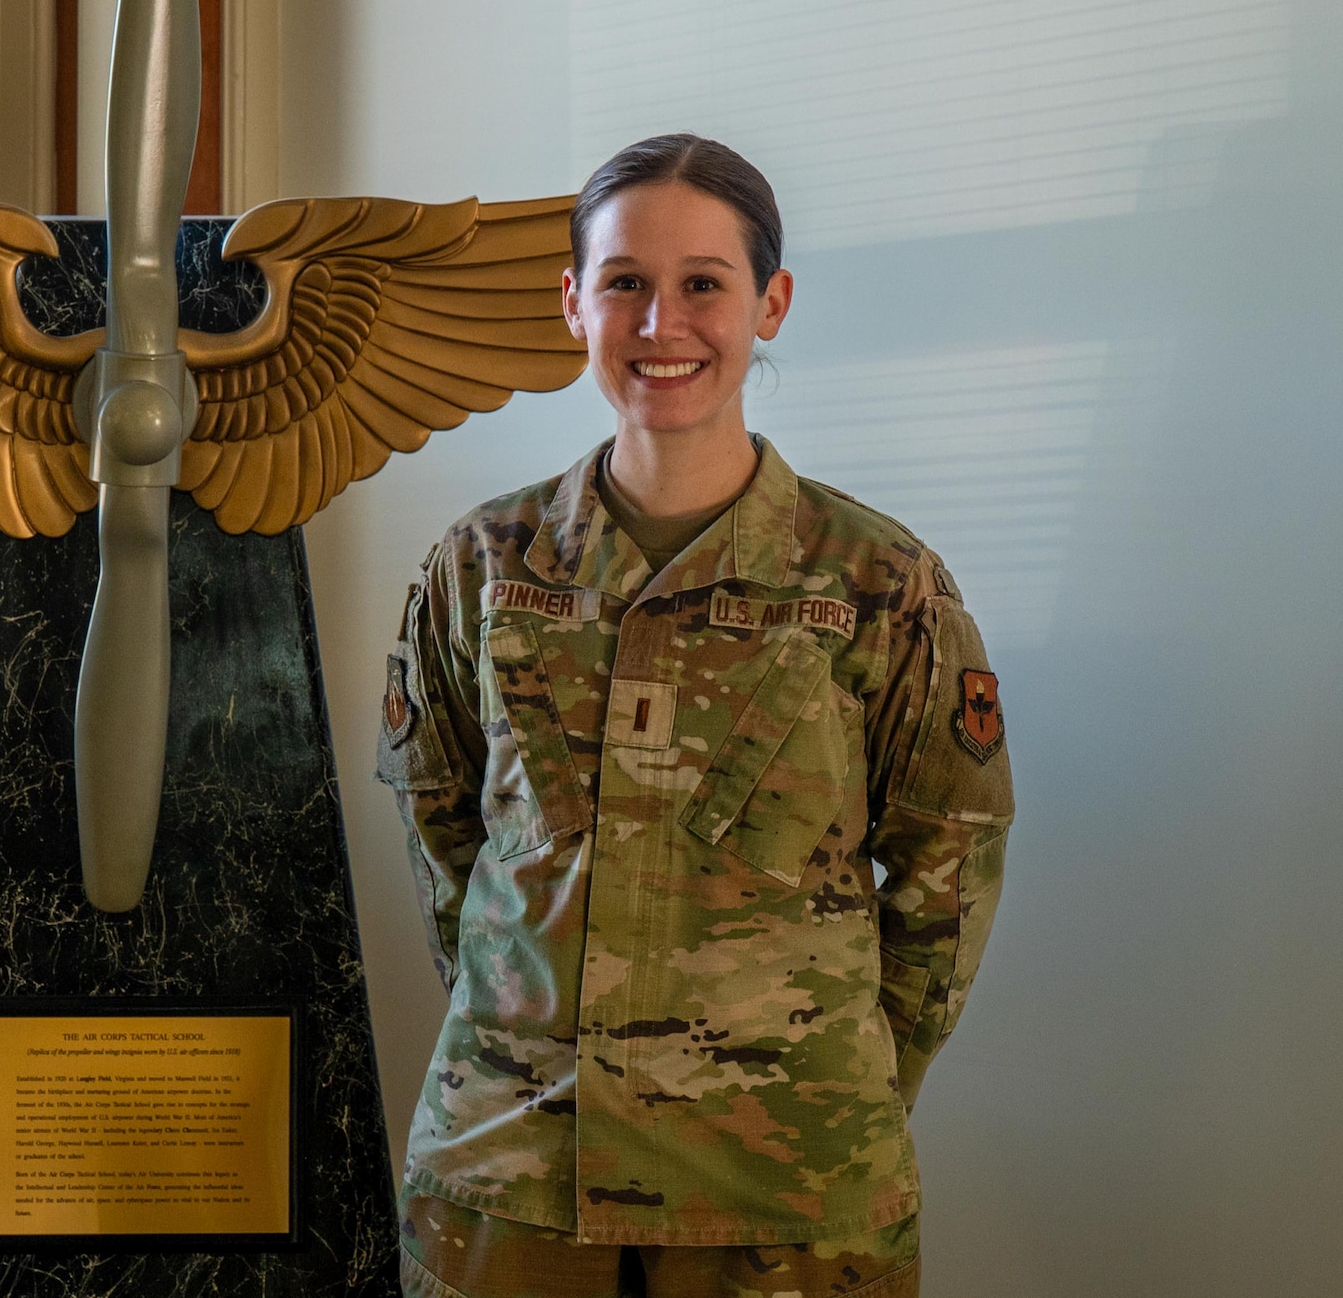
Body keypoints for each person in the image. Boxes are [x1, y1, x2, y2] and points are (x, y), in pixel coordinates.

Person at [376, 134, 1013, 1298]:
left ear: (767, 303)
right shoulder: (477, 565)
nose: (660, 320)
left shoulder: (878, 583)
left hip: (780, 1188)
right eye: (623, 281)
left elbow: (947, 871)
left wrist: (834, 1078)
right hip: (513, 1177)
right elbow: (444, 834)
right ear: (573, 302)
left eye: (702, 283)